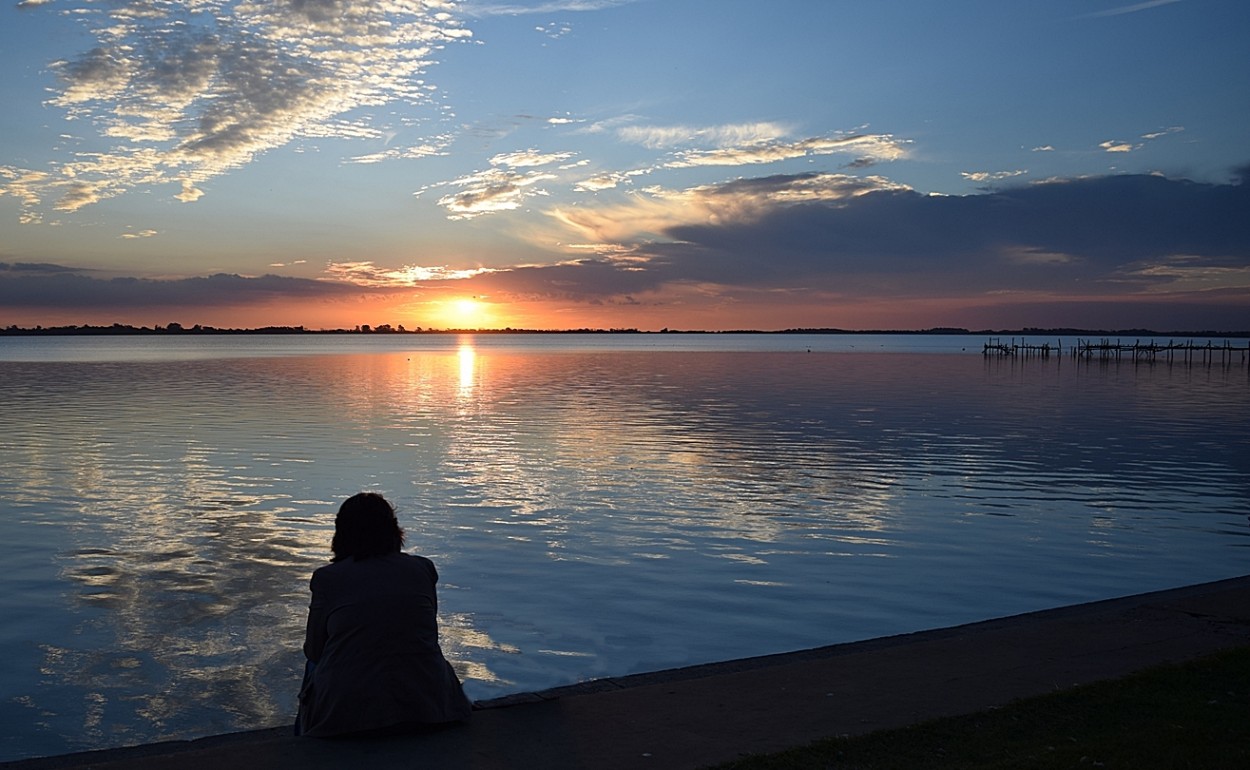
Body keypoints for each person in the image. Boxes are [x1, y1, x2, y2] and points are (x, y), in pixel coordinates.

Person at [297, 492, 472, 737]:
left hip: (348, 713)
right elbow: (427, 633)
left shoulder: (328, 578)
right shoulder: (422, 568)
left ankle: (304, 743)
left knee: (315, 665)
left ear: (342, 533)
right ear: (394, 530)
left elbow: (314, 650)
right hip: (430, 702)